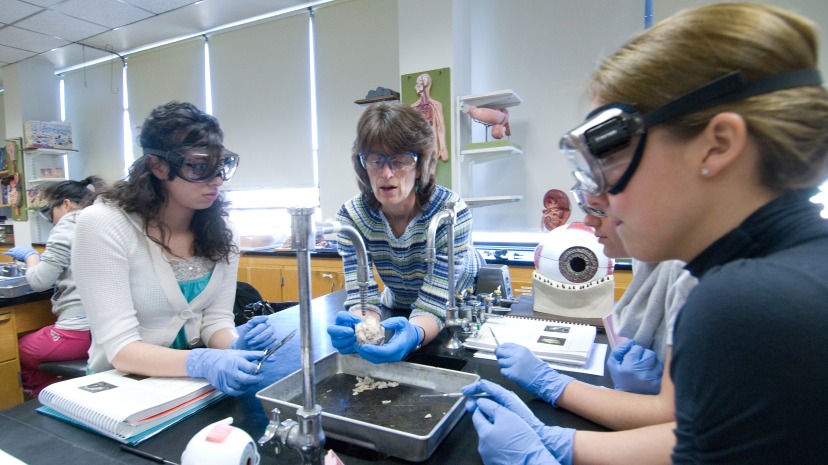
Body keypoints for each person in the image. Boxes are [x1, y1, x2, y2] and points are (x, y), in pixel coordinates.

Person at [465, 3, 828, 464]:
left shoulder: (747, 305)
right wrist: (561, 442)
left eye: (612, 155)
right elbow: (699, 439)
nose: (602, 197)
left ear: (718, 145)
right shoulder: (792, 269)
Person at [72, 101, 282, 397]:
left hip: (191, 389)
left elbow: (215, 320)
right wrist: (201, 360)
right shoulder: (104, 223)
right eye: (199, 166)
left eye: (221, 164)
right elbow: (121, 350)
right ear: (157, 166)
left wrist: (234, 342)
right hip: (121, 392)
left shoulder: (222, 231)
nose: (217, 179)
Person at [327, 103, 483, 364]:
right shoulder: (352, 217)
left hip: (461, 301)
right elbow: (361, 295)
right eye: (376, 160)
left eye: (400, 160)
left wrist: (415, 335)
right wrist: (362, 325)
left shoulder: (450, 213)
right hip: (400, 301)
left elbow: (435, 302)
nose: (386, 173)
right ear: (362, 164)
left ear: (420, 163)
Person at [3, 176, 105, 397]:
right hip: (107, 329)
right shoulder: (104, 221)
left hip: (78, 332)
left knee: (15, 348)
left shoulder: (68, 225)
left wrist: (31, 257)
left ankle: (51, 396)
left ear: (66, 204)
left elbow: (40, 282)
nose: (51, 218)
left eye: (51, 209)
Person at [411, 73, 449, 161]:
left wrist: (443, 147)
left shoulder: (435, 105)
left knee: (431, 173)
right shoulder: (413, 107)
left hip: (432, 145)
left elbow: (440, 128)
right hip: (418, 146)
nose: (415, 87)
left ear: (424, 85)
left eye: (418, 84)